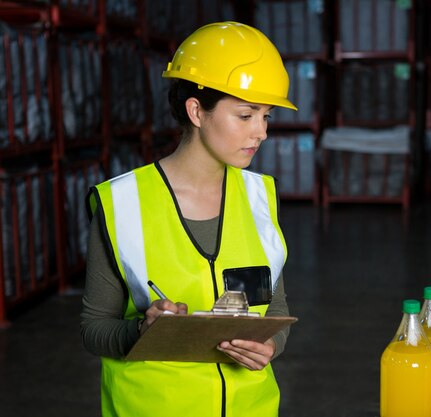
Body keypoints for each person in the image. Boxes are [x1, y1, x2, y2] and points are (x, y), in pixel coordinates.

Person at [80, 21, 297, 417]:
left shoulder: (260, 196)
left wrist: (269, 347)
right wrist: (142, 331)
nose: (261, 132)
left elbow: (276, 311)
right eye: (246, 115)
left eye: (266, 116)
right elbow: (95, 328)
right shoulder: (122, 203)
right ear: (196, 111)